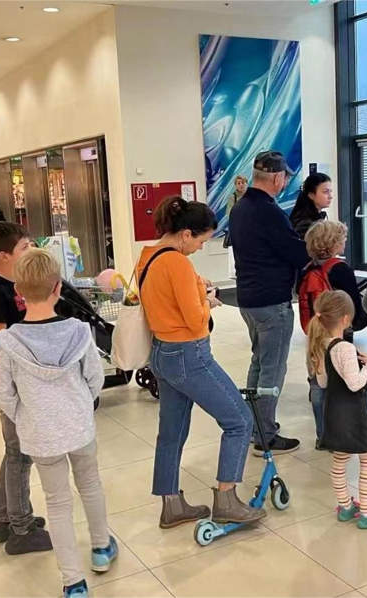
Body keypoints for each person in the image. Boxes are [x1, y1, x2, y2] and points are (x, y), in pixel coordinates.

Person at [0, 249, 117, 598]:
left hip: (39, 434)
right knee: (90, 485)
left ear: (18, 290)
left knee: (57, 502)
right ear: (57, 288)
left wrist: (26, 417)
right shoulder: (78, 332)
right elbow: (94, 378)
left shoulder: (9, 342)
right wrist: (82, 405)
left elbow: (3, 392)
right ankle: (102, 548)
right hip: (78, 427)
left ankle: (72, 580)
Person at [138, 196, 266, 529]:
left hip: (162, 353)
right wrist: (207, 302)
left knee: (171, 432)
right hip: (189, 353)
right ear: (185, 234)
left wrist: (196, 291)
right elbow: (195, 321)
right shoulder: (178, 263)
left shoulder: (147, 256)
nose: (199, 248)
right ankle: (227, 500)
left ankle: (171, 505)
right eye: (201, 240)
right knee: (239, 419)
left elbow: (164, 302)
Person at [0, 221, 52, 555]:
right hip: (12, 382)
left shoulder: (21, 286)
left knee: (15, 451)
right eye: (24, 248)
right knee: (19, 455)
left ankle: (5, 517)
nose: (31, 252)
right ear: (5, 256)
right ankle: (21, 528)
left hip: (27, 380)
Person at [230, 151, 310, 455]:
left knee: (259, 362)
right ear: (277, 178)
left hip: (248, 300)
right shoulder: (270, 212)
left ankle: (253, 426)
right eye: (285, 177)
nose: (285, 182)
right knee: (272, 370)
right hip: (271, 301)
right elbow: (297, 254)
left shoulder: (240, 208)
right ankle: (265, 434)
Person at [308, 290, 367, 530]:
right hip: (353, 415)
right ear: (346, 319)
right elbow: (355, 383)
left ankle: (345, 506)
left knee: (339, 460)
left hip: (333, 414)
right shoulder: (345, 348)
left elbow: (323, 383)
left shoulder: (321, 345)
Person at [301, 220, 367, 448]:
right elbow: (354, 307)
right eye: (342, 238)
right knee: (340, 386)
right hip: (338, 336)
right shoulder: (340, 269)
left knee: (317, 385)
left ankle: (322, 435)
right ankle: (340, 434)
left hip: (314, 334)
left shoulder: (308, 269)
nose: (345, 241)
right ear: (333, 243)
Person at [290, 172, 332, 239]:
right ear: (311, 195)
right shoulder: (305, 224)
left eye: (330, 191)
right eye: (325, 192)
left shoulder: (316, 217)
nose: (330, 196)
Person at [224, 175, 248, 280]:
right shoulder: (232, 197)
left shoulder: (252, 196)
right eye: (238, 183)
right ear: (235, 185)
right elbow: (229, 214)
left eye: (243, 183)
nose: (241, 185)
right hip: (238, 231)